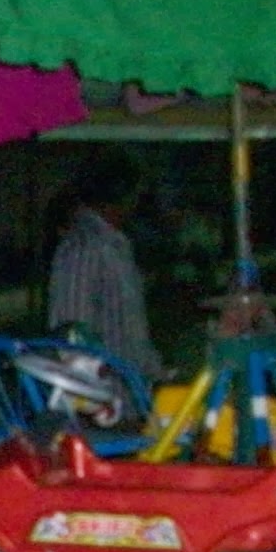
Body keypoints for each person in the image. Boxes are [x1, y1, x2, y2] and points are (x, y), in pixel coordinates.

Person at [46, 153, 164, 381]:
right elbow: (72, 335)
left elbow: (132, 330)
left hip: (129, 388)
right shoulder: (83, 247)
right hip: (101, 394)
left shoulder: (115, 245)